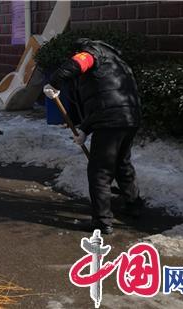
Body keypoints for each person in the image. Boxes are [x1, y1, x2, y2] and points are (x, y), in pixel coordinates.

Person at [43, 38, 144, 235]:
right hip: (130, 117)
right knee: (122, 163)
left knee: (100, 171)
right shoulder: (117, 62)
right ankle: (133, 205)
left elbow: (75, 65)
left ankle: (102, 221)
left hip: (111, 120)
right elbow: (106, 98)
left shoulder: (92, 53)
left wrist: (53, 82)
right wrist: (85, 129)